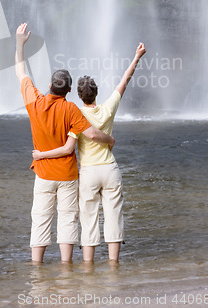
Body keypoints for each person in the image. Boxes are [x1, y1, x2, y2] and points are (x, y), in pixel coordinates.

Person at [33, 42, 146, 264]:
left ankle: (88, 266)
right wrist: (137, 57)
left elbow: (67, 144)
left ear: (77, 94)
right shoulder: (108, 108)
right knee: (114, 216)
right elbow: (125, 80)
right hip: (110, 169)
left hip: (88, 173)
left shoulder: (75, 115)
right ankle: (113, 264)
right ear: (97, 93)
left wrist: (40, 155)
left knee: (88, 219)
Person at [15, 23, 116, 264]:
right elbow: (92, 135)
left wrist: (19, 44)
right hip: (68, 175)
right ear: (69, 90)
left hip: (43, 174)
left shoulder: (35, 103)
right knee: (68, 219)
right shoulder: (71, 109)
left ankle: (37, 268)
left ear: (50, 85)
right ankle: (65, 268)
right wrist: (110, 139)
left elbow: (20, 71)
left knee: (40, 218)